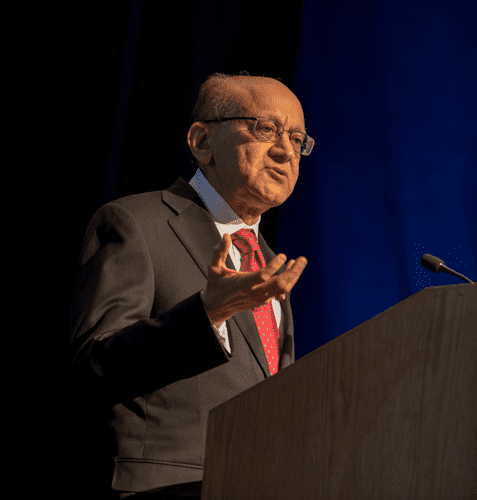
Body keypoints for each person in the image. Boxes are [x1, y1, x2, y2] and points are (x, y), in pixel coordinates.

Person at [69, 73, 312, 499]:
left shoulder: (268, 265)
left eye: (297, 139)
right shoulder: (136, 224)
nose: (284, 150)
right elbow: (94, 366)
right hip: (164, 488)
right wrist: (207, 314)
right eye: (265, 128)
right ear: (202, 141)